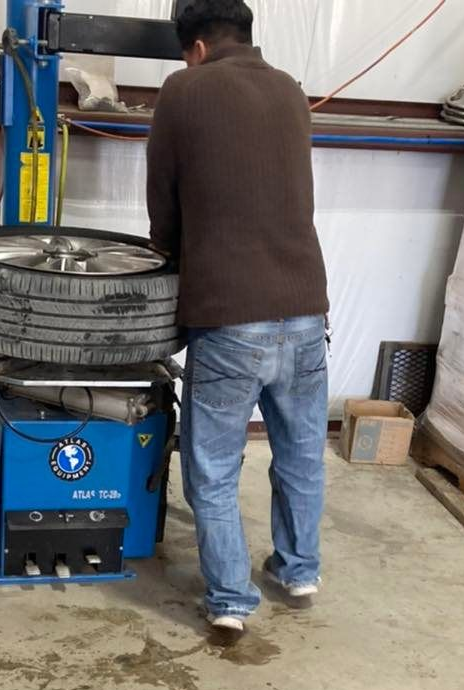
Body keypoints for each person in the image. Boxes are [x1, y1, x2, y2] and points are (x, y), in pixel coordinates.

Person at [147, 0, 330, 636]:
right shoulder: (290, 91)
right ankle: (299, 569)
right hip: (306, 312)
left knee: (214, 469)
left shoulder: (183, 89)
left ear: (194, 47)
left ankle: (230, 602)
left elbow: (164, 199)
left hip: (229, 318)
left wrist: (164, 259)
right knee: (302, 453)